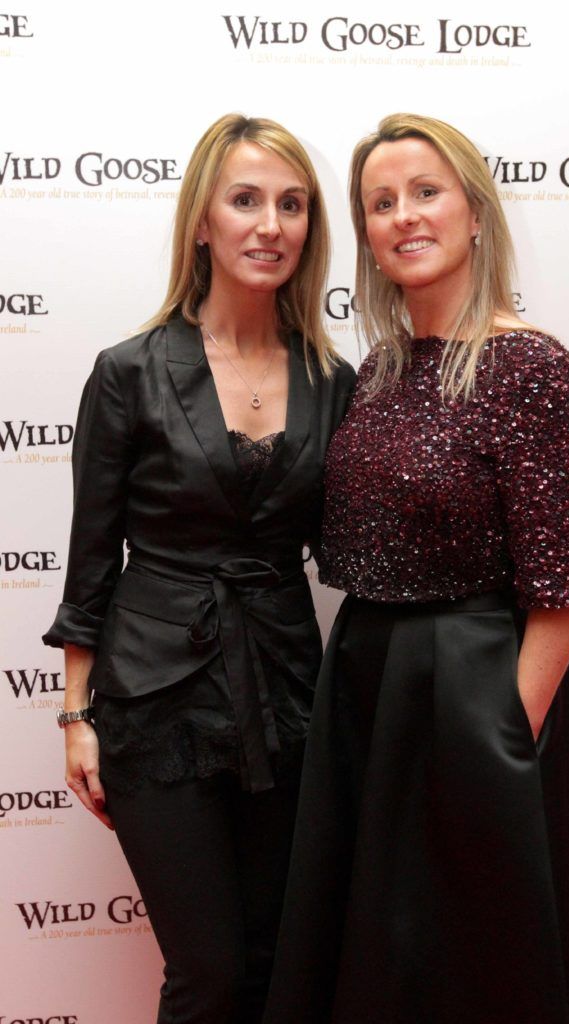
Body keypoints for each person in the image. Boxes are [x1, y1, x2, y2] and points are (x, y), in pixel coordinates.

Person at [263, 114, 569, 1024]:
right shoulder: (377, 370)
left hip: (479, 691)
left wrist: (500, 741)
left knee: (483, 962)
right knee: (384, 958)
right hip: (367, 687)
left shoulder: (530, 367)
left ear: (475, 211)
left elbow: (560, 589)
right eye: (380, 201)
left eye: (425, 192)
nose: (404, 215)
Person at [42, 113, 355, 1024]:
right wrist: (75, 714)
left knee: (273, 969)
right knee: (209, 975)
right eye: (246, 200)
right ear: (202, 224)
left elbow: (351, 546)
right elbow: (91, 557)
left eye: (291, 205)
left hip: (288, 695)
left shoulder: (331, 379)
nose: (270, 224)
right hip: (154, 704)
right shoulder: (128, 372)